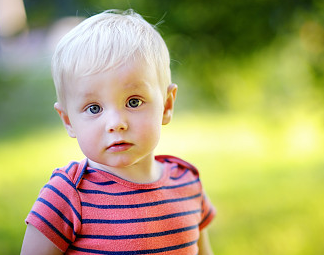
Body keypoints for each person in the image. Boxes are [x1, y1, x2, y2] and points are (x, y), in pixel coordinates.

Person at [21, 9, 216, 255]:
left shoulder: (187, 183)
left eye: (133, 102)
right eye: (94, 108)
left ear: (166, 105)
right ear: (68, 120)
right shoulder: (67, 196)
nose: (116, 123)